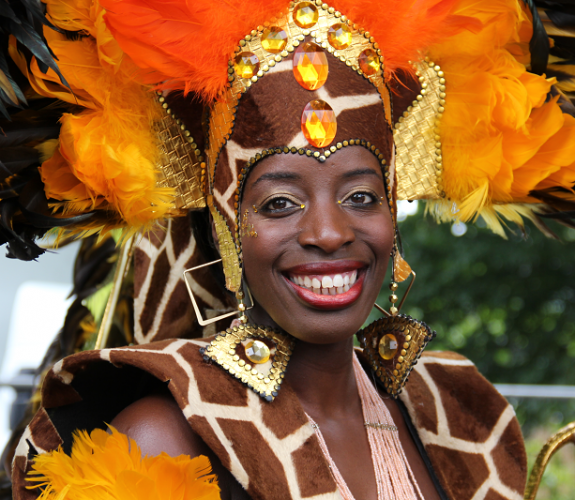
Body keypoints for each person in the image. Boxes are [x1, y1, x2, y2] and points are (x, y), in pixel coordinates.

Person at [2, 0, 575, 499]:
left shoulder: (462, 417)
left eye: (360, 196)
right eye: (279, 203)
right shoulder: (165, 441)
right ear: (229, 229)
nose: (329, 232)